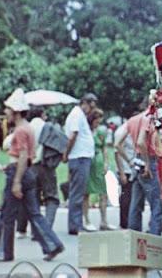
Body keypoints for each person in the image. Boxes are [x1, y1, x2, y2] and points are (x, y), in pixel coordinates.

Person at [0, 89, 64, 262]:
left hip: (19, 174)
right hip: (28, 172)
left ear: (16, 111)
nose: (5, 112)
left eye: (8, 109)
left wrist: (16, 181)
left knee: (7, 215)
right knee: (34, 213)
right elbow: (28, 156)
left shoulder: (20, 131)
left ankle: (1, 252)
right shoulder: (28, 128)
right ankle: (52, 244)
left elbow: (21, 155)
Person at [16, 107, 62, 238]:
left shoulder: (27, 128)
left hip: (30, 166)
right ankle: (46, 229)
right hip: (47, 166)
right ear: (42, 115)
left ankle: (34, 230)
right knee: (51, 198)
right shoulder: (49, 127)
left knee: (33, 199)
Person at [120, 103, 162, 234]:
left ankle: (134, 235)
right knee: (156, 204)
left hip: (137, 160)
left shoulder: (132, 120)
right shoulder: (148, 119)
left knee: (136, 203)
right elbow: (140, 142)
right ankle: (155, 238)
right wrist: (147, 164)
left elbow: (117, 143)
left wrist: (130, 161)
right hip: (147, 159)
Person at [63, 93, 97, 235]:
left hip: (81, 156)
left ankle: (76, 223)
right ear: (85, 103)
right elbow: (73, 135)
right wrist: (66, 153)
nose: (90, 110)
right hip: (79, 157)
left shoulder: (79, 115)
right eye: (90, 106)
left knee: (77, 192)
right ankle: (75, 225)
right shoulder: (77, 114)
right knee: (77, 193)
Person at [82, 109, 115, 231]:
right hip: (89, 161)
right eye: (97, 121)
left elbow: (104, 148)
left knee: (103, 193)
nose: (98, 123)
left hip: (99, 161)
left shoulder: (101, 131)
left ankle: (104, 221)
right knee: (86, 193)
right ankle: (86, 220)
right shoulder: (86, 131)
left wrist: (106, 162)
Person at [114, 122, 136, 229]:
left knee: (130, 196)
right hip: (125, 168)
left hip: (131, 168)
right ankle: (124, 222)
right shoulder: (122, 131)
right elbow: (117, 152)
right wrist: (122, 172)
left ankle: (128, 221)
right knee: (126, 196)